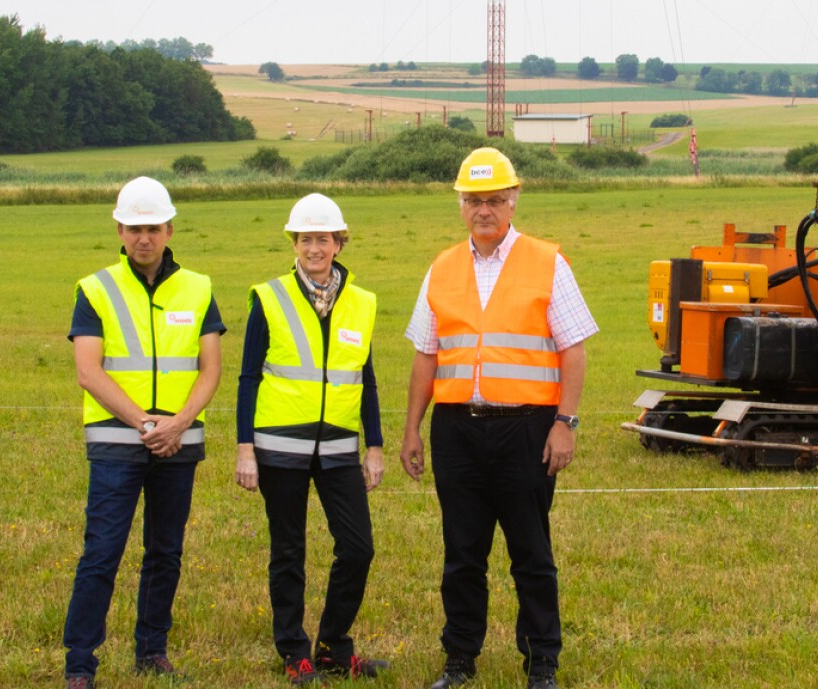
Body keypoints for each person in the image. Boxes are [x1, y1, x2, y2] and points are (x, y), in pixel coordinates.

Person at [399, 148, 598, 689]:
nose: (483, 209)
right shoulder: (441, 267)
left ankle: (542, 665)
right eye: (473, 200)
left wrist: (566, 423)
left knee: (531, 553)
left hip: (528, 429)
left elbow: (573, 348)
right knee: (462, 554)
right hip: (457, 429)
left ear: (513, 200)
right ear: (460, 205)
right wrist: (412, 429)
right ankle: (460, 659)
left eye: (493, 199)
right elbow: (426, 354)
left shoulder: (547, 261)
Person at [63, 176, 224, 689]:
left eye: (152, 228)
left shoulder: (198, 288)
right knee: (102, 551)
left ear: (170, 228)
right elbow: (89, 371)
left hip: (178, 442)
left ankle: (151, 651)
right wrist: (144, 422)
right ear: (119, 229)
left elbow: (211, 369)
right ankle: (80, 663)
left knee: (165, 552)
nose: (143, 238)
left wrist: (177, 424)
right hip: (117, 441)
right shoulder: (96, 288)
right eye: (134, 228)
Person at [235, 193, 389, 685]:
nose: (314, 248)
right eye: (305, 239)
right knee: (288, 551)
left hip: (340, 448)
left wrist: (375, 445)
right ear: (294, 243)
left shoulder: (362, 303)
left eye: (323, 239)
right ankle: (293, 652)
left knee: (358, 548)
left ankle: (332, 648)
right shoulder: (269, 296)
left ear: (339, 243)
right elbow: (247, 378)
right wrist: (244, 448)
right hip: (279, 446)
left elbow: (366, 378)